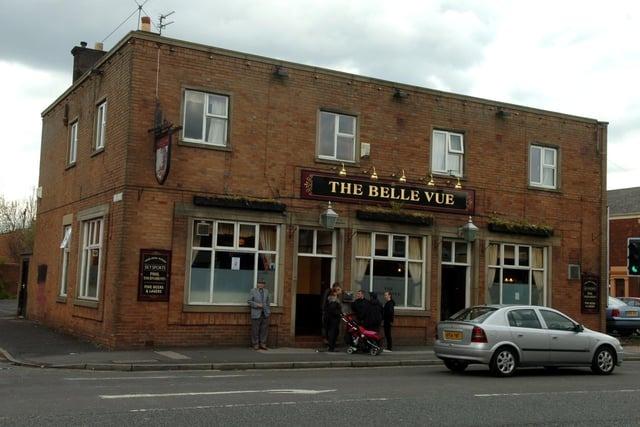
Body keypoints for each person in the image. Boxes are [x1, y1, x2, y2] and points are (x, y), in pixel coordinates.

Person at [248, 278, 271, 350]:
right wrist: (257, 305)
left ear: (264, 285)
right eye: (259, 283)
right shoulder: (253, 291)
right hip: (256, 313)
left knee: (264, 330)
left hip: (265, 313)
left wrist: (268, 310)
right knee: (255, 330)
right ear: (257, 284)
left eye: (262, 283)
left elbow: (268, 302)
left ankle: (263, 344)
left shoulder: (266, 291)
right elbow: (249, 301)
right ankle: (255, 344)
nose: (261, 284)